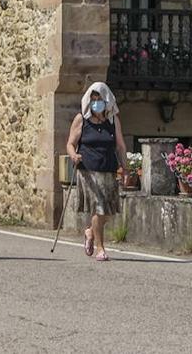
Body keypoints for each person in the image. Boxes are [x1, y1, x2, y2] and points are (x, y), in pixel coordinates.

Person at [65, 82, 127, 262]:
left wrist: (125, 167)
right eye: (93, 99)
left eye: (99, 99)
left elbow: (121, 146)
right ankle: (101, 248)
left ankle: (90, 232)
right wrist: (73, 155)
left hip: (109, 169)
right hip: (88, 171)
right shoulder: (81, 119)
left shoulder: (113, 120)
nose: (96, 103)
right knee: (98, 208)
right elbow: (70, 143)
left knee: (108, 211)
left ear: (106, 100)